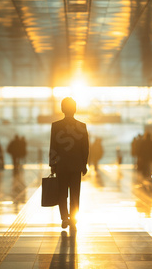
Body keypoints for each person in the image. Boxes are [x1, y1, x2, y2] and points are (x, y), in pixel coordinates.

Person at [49, 97, 89, 229]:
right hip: (76, 165)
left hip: (61, 165)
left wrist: (52, 164)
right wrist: (84, 164)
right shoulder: (82, 126)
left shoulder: (55, 126)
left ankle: (64, 218)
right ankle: (73, 218)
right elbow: (85, 148)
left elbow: (53, 147)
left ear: (62, 109)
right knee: (75, 193)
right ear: (75, 109)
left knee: (62, 193)